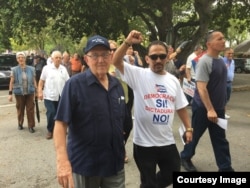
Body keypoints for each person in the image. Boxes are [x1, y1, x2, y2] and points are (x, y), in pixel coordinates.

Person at [112, 30, 193, 188]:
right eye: (154, 56)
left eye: (162, 56)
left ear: (167, 58)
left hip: (166, 141)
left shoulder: (173, 81)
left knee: (172, 173)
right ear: (147, 58)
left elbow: (181, 107)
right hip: (144, 144)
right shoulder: (139, 75)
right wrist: (128, 42)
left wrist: (188, 128)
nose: (158, 60)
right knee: (148, 181)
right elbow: (116, 61)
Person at [53, 35, 129, 188]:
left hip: (114, 164)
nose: (100, 60)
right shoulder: (74, 85)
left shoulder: (117, 85)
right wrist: (62, 161)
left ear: (111, 57)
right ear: (86, 59)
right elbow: (60, 124)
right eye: (94, 55)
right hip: (85, 166)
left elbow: (123, 120)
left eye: (104, 55)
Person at [180, 30, 234, 172]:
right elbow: (201, 88)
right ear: (209, 44)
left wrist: (222, 106)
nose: (223, 40)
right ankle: (185, 157)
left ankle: (225, 168)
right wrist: (210, 109)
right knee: (195, 135)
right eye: (219, 38)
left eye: (223, 37)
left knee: (220, 140)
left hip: (218, 109)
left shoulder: (221, 61)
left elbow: (220, 86)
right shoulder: (205, 61)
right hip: (204, 108)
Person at [108, 39, 133, 163]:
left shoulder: (123, 62)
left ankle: (120, 146)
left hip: (126, 98)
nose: (112, 52)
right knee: (115, 127)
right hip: (111, 102)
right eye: (110, 49)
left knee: (128, 126)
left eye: (114, 49)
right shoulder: (104, 64)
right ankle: (119, 150)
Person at [38, 50, 69, 139]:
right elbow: (41, 81)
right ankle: (50, 130)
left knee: (61, 113)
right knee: (51, 113)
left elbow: (68, 81)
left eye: (60, 58)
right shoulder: (46, 69)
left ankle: (61, 130)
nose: (58, 59)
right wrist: (39, 91)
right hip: (49, 96)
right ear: (52, 59)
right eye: (56, 57)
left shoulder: (63, 69)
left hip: (61, 95)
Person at [8, 52, 37, 133]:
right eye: (19, 58)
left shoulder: (31, 69)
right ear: (17, 59)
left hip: (30, 92)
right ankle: (20, 123)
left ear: (25, 59)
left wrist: (37, 91)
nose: (21, 59)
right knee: (20, 109)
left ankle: (31, 126)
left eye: (22, 57)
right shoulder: (14, 70)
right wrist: (10, 94)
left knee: (30, 109)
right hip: (19, 93)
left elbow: (34, 80)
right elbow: (11, 82)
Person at [223, 47, 235, 119]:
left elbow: (232, 71)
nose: (231, 55)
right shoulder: (221, 61)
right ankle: (221, 113)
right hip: (223, 82)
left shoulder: (233, 61)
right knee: (222, 99)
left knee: (227, 98)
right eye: (229, 53)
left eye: (232, 53)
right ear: (225, 53)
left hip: (229, 83)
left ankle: (223, 113)